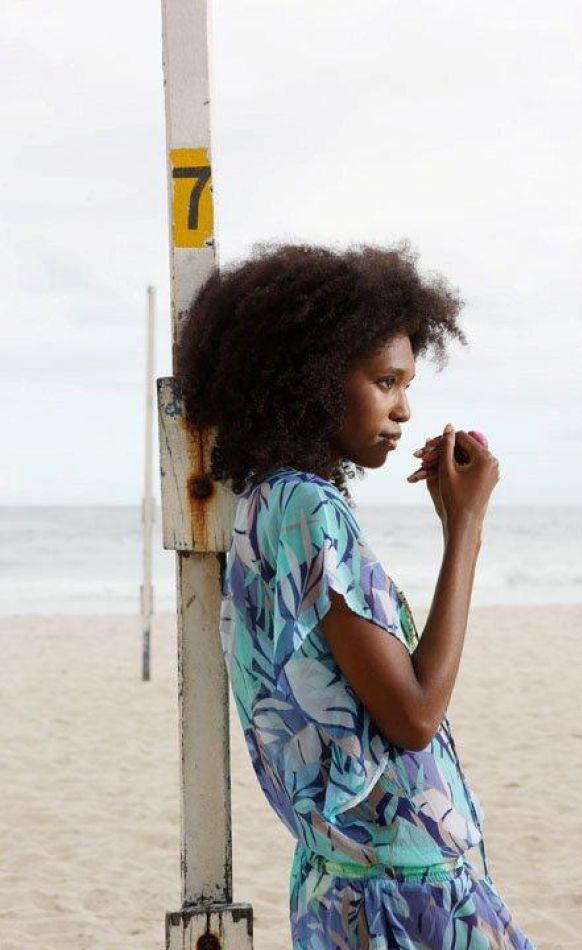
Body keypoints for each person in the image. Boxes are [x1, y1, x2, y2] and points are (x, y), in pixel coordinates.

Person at [177, 241, 533, 949]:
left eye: (406, 384)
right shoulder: (310, 512)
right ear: (308, 378)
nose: (403, 410)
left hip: (341, 880)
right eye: (385, 381)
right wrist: (464, 527)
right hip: (402, 892)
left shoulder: (264, 506)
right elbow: (413, 716)